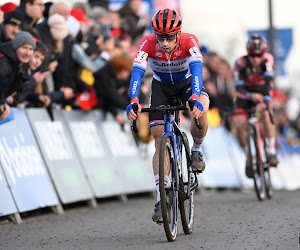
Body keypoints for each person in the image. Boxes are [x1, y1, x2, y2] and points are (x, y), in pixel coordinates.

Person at [126, 9, 209, 222]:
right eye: (160, 37)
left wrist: (197, 97)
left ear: (178, 34)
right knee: (158, 137)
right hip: (161, 87)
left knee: (202, 108)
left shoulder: (190, 41)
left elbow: (197, 71)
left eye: (170, 37)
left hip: (187, 85)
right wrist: (134, 100)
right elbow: (136, 73)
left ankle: (197, 150)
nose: (164, 43)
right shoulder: (147, 43)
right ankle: (161, 195)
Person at [232, 33, 279, 178]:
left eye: (259, 55)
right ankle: (248, 157)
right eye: (253, 56)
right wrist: (250, 96)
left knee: (265, 114)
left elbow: (269, 84)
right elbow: (238, 89)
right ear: (248, 53)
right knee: (239, 123)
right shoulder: (240, 63)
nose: (256, 59)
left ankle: (271, 151)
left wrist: (264, 100)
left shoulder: (268, 59)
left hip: (262, 92)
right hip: (245, 95)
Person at [0, 31, 35, 122]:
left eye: (31, 49)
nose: (28, 53)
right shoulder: (4, 63)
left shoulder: (20, 65)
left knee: (10, 116)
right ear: (15, 47)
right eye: (24, 48)